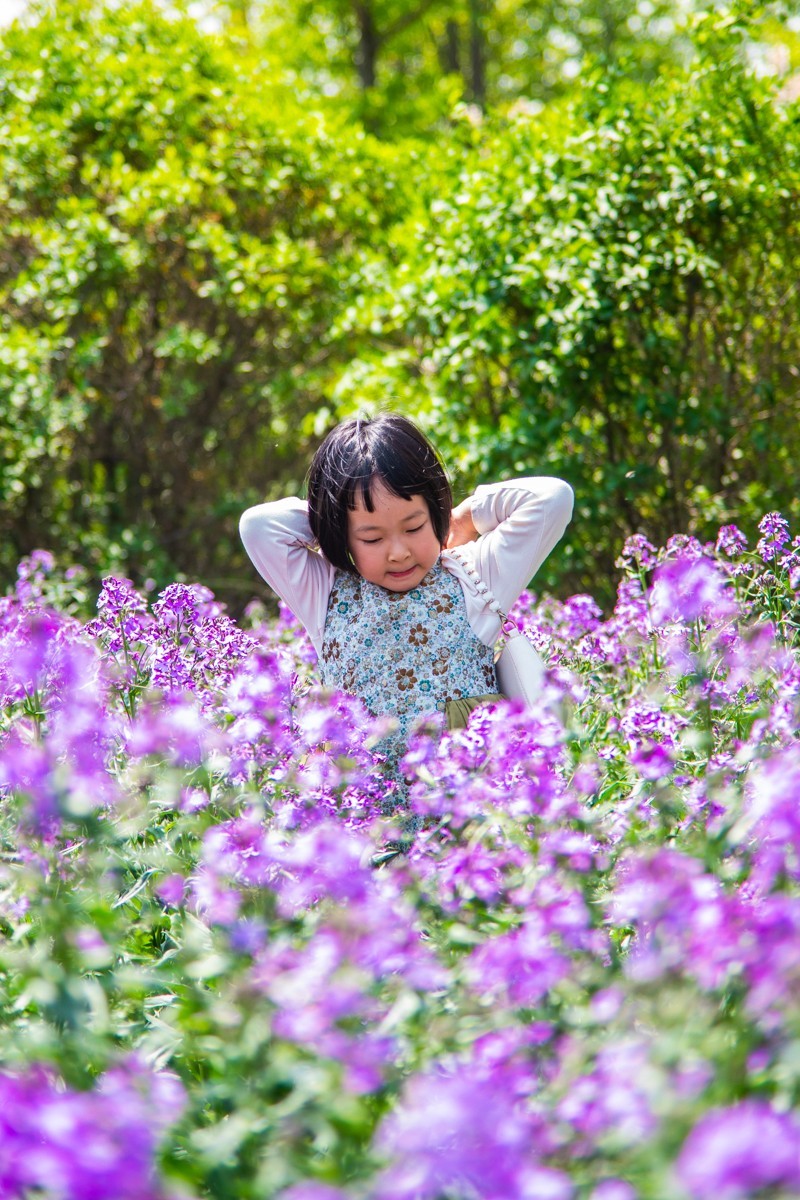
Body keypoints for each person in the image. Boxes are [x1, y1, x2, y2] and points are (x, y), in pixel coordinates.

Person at [239, 412, 573, 801]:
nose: (398, 552)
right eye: (372, 537)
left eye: (414, 528)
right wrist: (333, 515)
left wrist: (466, 516)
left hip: (467, 824)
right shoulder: (324, 593)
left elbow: (553, 499)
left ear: (436, 512)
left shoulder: (473, 575)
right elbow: (258, 527)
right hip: (366, 828)